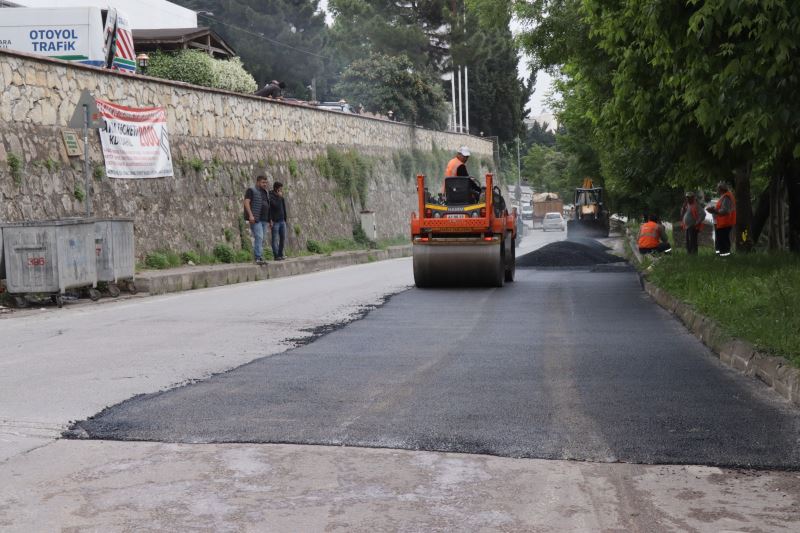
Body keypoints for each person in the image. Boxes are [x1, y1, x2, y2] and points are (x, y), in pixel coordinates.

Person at [243, 175, 270, 264]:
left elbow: (267, 205)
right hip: (256, 219)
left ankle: (260, 257)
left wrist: (270, 219)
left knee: (262, 239)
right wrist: (250, 215)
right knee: (259, 237)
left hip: (264, 219)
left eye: (266, 182)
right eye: (263, 182)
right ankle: (258, 257)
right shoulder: (251, 190)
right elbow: (246, 202)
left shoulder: (265, 192)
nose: (265, 184)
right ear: (258, 182)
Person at [706, 181, 736, 257]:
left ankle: (725, 257)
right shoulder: (724, 196)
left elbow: (725, 211)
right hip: (722, 223)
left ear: (721, 189)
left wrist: (714, 210)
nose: (717, 190)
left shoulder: (726, 197)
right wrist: (715, 209)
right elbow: (722, 209)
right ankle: (721, 255)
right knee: (721, 240)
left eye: (717, 188)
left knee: (723, 241)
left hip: (725, 223)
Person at [269, 181, 288, 261]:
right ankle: (276, 256)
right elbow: (275, 206)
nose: (281, 190)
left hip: (282, 220)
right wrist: (279, 197)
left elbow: (283, 207)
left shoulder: (281, 196)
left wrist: (285, 219)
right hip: (275, 221)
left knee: (283, 238)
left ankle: (280, 254)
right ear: (276, 188)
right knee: (275, 239)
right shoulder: (271, 196)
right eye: (280, 188)